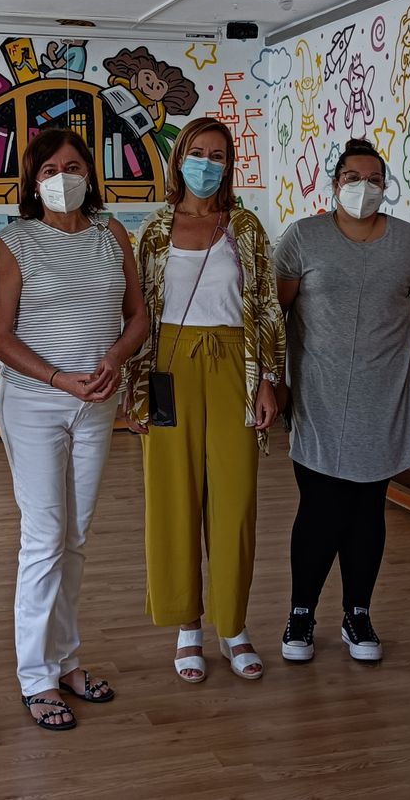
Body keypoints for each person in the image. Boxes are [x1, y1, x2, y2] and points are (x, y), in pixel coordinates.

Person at [0, 129, 148, 731]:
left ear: (91, 173)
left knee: (75, 535)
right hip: (34, 403)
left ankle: (65, 659)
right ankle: (35, 678)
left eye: (74, 165)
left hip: (97, 403)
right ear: (33, 181)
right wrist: (59, 379)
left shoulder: (113, 235)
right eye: (50, 168)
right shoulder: (15, 241)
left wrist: (114, 359)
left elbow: (137, 316)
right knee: (45, 536)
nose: (63, 176)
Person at [124, 117, 285, 683]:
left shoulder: (245, 227)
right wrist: (136, 390)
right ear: (179, 159)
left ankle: (233, 624)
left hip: (234, 365)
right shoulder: (154, 230)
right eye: (197, 152)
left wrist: (268, 379)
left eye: (218, 154)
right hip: (168, 364)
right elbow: (136, 314)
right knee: (172, 497)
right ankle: (186, 623)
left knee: (235, 500)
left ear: (229, 164)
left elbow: (266, 306)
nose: (207, 163)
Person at [273, 138, 410, 664]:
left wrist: (383, 332)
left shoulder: (408, 241)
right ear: (334, 183)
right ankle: (301, 614)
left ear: (385, 185)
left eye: (373, 179)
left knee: (368, 509)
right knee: (322, 507)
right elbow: (277, 312)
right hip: (318, 393)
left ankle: (358, 613)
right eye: (352, 177)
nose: (363, 188)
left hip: (383, 393)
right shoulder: (304, 237)